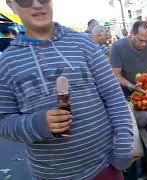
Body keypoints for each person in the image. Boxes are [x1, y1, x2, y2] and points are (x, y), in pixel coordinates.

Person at [1, 1, 133, 180]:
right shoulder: (8, 63)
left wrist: (124, 147)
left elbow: (113, 96)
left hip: (104, 167)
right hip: (51, 174)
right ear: (11, 4)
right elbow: (4, 122)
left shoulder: (83, 44)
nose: (37, 5)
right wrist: (38, 124)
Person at [110, 21, 147, 97]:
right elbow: (115, 75)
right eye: (140, 40)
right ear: (131, 34)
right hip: (125, 92)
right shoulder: (117, 46)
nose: (144, 44)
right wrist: (131, 86)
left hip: (146, 91)